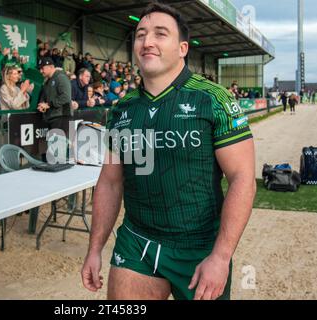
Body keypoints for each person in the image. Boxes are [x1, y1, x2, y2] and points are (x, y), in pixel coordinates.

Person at [81, 2, 256, 301]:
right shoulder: (122, 109)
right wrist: (95, 249)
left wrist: (221, 256)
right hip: (137, 243)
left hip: (199, 249)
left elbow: (243, 178)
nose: (147, 41)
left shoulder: (214, 98)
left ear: (183, 48)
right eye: (141, 35)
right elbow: (110, 181)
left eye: (160, 34)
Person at [37, 57, 72, 137]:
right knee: (54, 147)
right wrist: (42, 105)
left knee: (58, 147)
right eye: (40, 68)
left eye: (42, 68)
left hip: (62, 117)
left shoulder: (61, 77)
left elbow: (66, 97)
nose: (41, 71)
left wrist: (48, 104)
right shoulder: (47, 81)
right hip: (52, 117)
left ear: (51, 67)